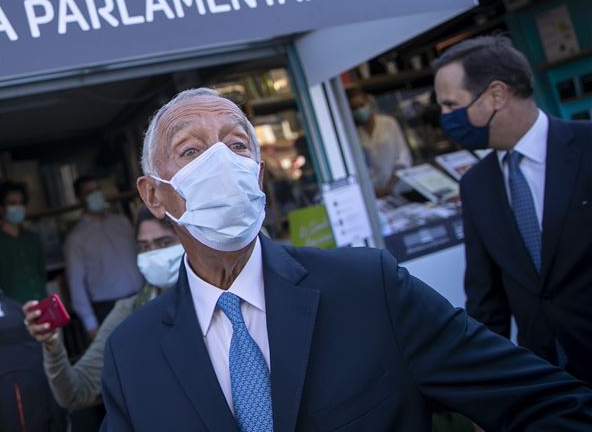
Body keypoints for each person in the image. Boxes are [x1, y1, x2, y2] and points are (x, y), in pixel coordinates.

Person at [100, 88, 592, 431]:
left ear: (258, 175)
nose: (222, 163)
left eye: (236, 145)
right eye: (191, 150)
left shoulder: (370, 289)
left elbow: (550, 402)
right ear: (153, 195)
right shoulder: (131, 355)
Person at [433, 35, 592, 384]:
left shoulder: (586, 146)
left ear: (496, 95)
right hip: (550, 382)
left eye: (450, 104)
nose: (444, 117)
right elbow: (486, 299)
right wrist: (491, 384)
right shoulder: (475, 185)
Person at [24, 207, 182, 411]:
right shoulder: (129, 313)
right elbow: (75, 393)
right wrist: (53, 346)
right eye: (144, 247)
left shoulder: (214, 301)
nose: (154, 254)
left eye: (164, 243)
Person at [63, 176, 144, 337]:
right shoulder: (76, 238)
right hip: (109, 308)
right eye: (89, 192)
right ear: (79, 198)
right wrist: (90, 325)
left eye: (97, 189)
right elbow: (76, 285)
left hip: (142, 297)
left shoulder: (122, 222)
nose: (96, 194)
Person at [0, 181, 48, 303]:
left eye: (21, 203)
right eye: (12, 203)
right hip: (15, 310)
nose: (18, 207)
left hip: (43, 304)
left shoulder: (33, 239)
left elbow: (42, 275)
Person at [348, 88, 413, 196]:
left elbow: (403, 157)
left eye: (361, 105)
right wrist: (373, 190)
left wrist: (389, 187)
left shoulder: (389, 123)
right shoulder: (355, 133)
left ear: (369, 103)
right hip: (375, 192)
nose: (359, 110)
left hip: (400, 187)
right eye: (354, 108)